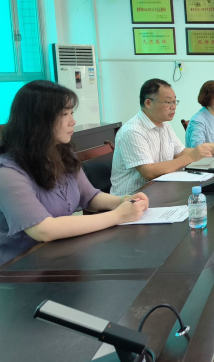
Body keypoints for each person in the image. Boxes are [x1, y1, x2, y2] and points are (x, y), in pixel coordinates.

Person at [0, 81, 149, 265]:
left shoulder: (62, 153)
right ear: (38, 119)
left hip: (59, 255)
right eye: (64, 114)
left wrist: (125, 201)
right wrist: (118, 215)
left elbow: (90, 197)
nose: (73, 121)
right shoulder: (8, 172)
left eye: (72, 113)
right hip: (20, 267)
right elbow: (43, 230)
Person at [111, 79, 214, 196]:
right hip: (134, 197)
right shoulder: (133, 131)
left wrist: (211, 150)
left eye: (175, 102)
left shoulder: (164, 125)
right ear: (148, 103)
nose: (174, 106)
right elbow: (149, 172)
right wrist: (191, 156)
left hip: (161, 189)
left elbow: (179, 153)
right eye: (168, 102)